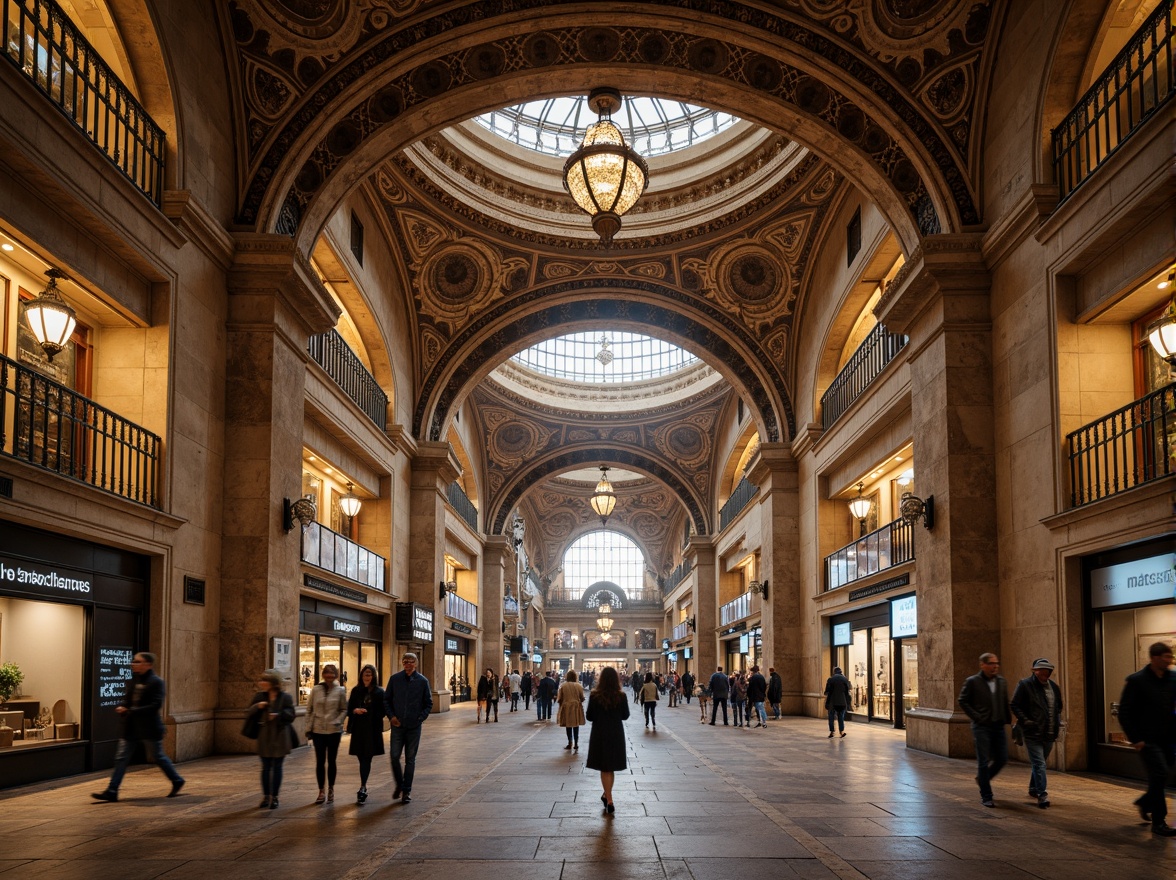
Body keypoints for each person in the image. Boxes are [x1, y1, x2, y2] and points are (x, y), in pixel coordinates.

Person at [91, 652, 185, 802]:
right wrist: (123, 707)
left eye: (137, 661)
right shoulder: (134, 680)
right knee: (121, 758)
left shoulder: (156, 682)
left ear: (148, 665)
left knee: (158, 757)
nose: (133, 664)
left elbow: (155, 705)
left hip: (149, 728)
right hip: (131, 728)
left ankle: (177, 780)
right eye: (133, 661)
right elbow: (129, 700)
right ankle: (112, 790)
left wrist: (130, 710)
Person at [1118, 641, 1176, 836]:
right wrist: (1136, 739)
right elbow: (1124, 712)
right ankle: (1159, 822)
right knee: (1159, 774)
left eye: (1170, 657)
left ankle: (1145, 802)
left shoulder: (1173, 678)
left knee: (1164, 775)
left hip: (1168, 738)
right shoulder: (1137, 681)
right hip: (1147, 739)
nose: (1169, 661)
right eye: (1165, 657)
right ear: (1154, 658)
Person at [958, 652, 1010, 808]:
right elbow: (963, 700)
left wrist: (1008, 720)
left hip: (998, 726)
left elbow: (1005, 701)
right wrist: (976, 717)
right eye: (992, 663)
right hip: (981, 727)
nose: (995, 666)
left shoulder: (1001, 682)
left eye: (997, 663)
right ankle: (986, 795)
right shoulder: (973, 681)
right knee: (983, 761)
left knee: (1002, 758)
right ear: (982, 665)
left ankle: (982, 779)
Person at [1010, 658, 1063, 809]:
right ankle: (1042, 794)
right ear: (1035, 671)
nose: (1044, 673)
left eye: (1047, 670)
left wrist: (1056, 722)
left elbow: (1058, 706)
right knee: (1039, 764)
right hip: (1032, 732)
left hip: (1049, 732)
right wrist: (1026, 720)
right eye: (1041, 670)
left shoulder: (1054, 687)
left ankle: (1034, 788)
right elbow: (1014, 704)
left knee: (1040, 763)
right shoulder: (1025, 685)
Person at [384, 652, 432, 803]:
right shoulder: (395, 679)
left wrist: (420, 718)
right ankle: (400, 784)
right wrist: (391, 716)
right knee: (394, 756)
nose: (408, 664)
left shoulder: (422, 681)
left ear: (416, 663)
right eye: (405, 661)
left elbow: (428, 703)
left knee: (410, 759)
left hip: (414, 727)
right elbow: (387, 700)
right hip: (397, 726)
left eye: (411, 661)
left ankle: (406, 791)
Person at [244, 669, 296, 809]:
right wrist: (258, 706)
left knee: (277, 767)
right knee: (266, 767)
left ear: (273, 682)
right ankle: (266, 796)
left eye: (265, 680)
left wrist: (278, 715)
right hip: (264, 735)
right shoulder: (260, 696)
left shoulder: (285, 697)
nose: (262, 683)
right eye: (262, 680)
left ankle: (275, 797)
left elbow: (291, 714)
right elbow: (248, 712)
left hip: (280, 736)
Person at [586, 666, 630, 814]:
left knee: (604, 767)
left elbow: (589, 716)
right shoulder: (621, 696)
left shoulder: (594, 695)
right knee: (610, 767)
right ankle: (608, 797)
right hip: (616, 733)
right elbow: (625, 715)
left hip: (599, 733)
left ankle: (608, 797)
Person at [305, 662, 347, 804]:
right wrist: (308, 727)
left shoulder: (340, 690)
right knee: (320, 761)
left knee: (332, 761)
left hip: (334, 731)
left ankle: (331, 789)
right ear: (323, 675)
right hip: (318, 730)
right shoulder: (316, 689)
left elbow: (343, 709)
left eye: (332, 673)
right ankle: (321, 790)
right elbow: (309, 709)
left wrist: (338, 721)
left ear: (335, 675)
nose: (329, 676)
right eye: (327, 673)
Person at [347, 663, 385, 805]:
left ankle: (363, 786)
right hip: (358, 728)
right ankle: (363, 785)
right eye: (365, 674)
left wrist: (371, 714)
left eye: (369, 674)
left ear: (374, 676)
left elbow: (383, 710)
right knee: (360, 756)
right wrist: (355, 710)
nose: (367, 676)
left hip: (372, 729)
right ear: (361, 675)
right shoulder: (356, 691)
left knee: (366, 758)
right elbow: (349, 708)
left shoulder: (379, 692)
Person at [557, 669, 587, 751]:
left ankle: (570, 742)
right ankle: (576, 743)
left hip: (566, 707)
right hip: (576, 707)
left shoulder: (563, 686)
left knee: (568, 725)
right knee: (576, 725)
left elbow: (559, 699)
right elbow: (583, 698)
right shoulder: (579, 686)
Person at [824, 666, 852, 737]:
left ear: (834, 672)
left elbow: (827, 692)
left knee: (831, 717)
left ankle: (832, 732)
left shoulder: (831, 679)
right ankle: (841, 732)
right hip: (842, 701)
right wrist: (848, 703)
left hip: (832, 702)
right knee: (841, 717)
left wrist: (827, 702)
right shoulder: (845, 679)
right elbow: (847, 691)